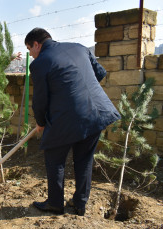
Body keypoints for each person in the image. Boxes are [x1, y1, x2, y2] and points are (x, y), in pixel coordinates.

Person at [25, 28, 120, 216]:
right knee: (84, 160)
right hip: (96, 113)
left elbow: (40, 101)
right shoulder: (80, 48)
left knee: (54, 158)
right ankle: (80, 204)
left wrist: (41, 122)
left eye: (29, 49)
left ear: (37, 44)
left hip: (68, 119)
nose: (30, 54)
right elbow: (99, 74)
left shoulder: (40, 64)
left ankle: (55, 203)